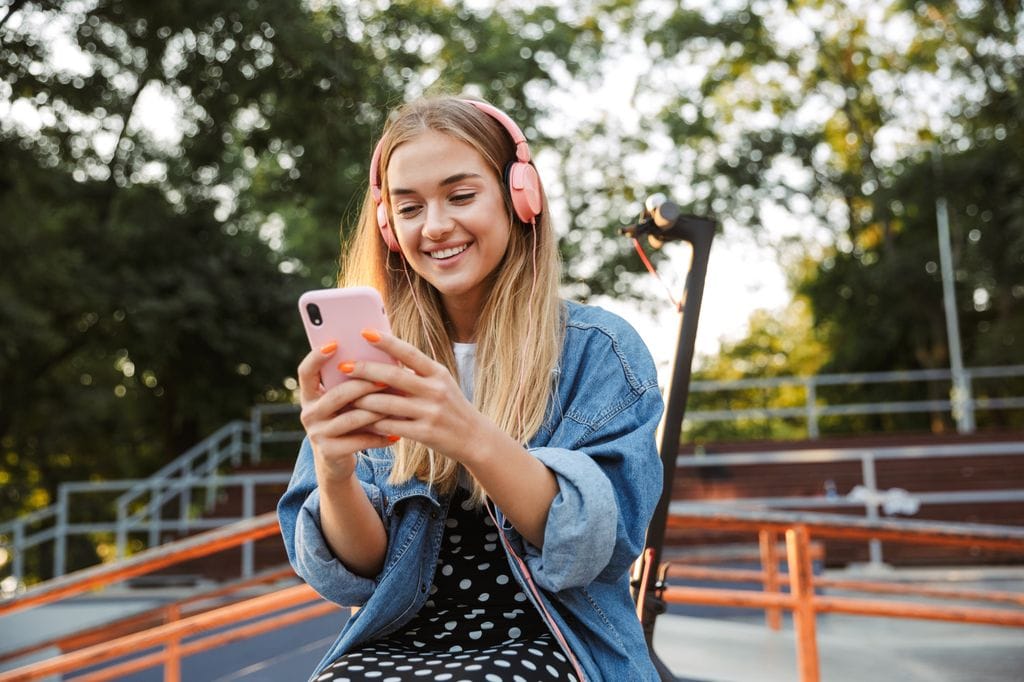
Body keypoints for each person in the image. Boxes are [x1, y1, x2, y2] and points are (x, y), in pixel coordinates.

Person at [277, 96, 664, 682]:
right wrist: (333, 471)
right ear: (388, 226)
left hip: (556, 639)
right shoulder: (375, 356)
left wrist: (469, 435)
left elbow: (600, 547)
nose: (434, 226)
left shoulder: (600, 350)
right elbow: (354, 573)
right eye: (409, 208)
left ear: (519, 198)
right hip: (399, 640)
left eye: (461, 196)